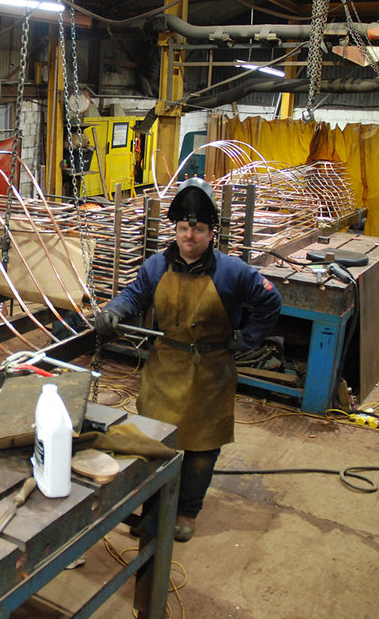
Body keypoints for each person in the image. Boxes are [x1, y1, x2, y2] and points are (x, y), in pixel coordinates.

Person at [94, 177, 282, 541]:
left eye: (197, 230)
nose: (189, 237)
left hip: (210, 374)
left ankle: (187, 512)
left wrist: (248, 339)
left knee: (200, 448)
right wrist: (114, 310)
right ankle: (154, 510)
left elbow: (270, 301)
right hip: (164, 370)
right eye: (183, 228)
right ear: (175, 229)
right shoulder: (155, 267)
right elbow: (135, 295)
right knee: (154, 443)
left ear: (211, 232)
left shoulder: (233, 272)